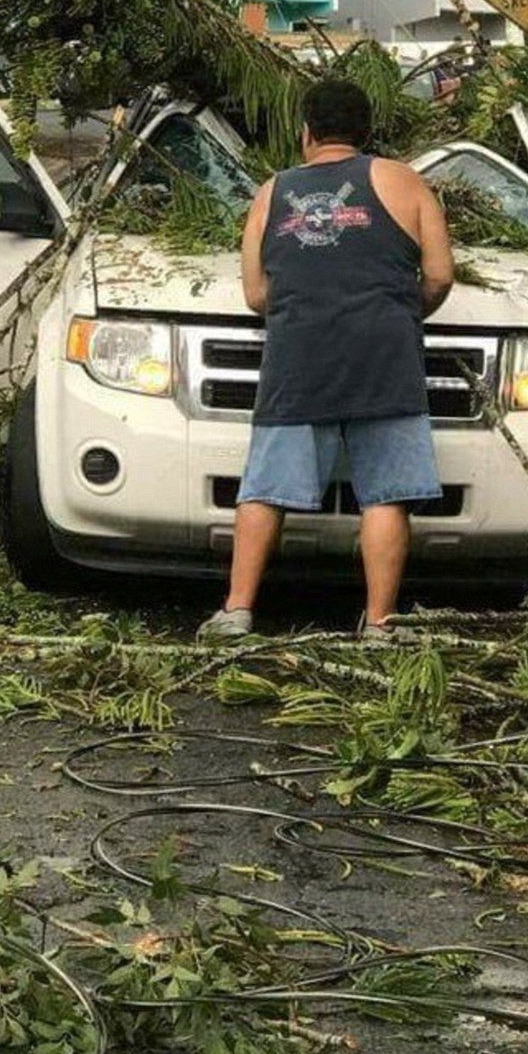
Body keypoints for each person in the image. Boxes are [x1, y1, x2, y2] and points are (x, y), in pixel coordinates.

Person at [200, 77, 455, 644]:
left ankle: (237, 611)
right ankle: (381, 623)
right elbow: (439, 274)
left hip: (299, 359)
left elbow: (256, 295)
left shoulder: (272, 192)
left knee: (265, 487)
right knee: (386, 494)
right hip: (384, 357)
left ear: (306, 134)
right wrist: (400, 309)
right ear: (366, 135)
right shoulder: (405, 181)